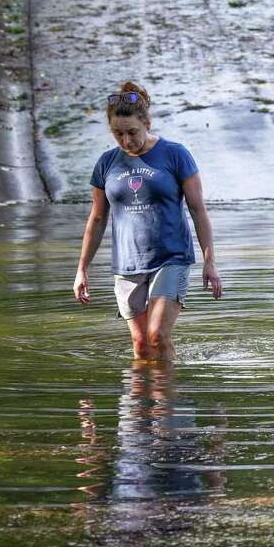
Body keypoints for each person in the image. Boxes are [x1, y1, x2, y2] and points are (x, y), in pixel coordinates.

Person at [73, 81, 222, 361]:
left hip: (171, 258)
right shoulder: (106, 163)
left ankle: (167, 403)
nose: (127, 141)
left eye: (132, 132)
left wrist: (209, 261)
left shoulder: (175, 154)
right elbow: (97, 218)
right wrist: (82, 269)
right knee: (141, 345)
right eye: (118, 133)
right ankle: (144, 403)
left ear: (147, 122)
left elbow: (198, 209)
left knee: (157, 335)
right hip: (127, 264)